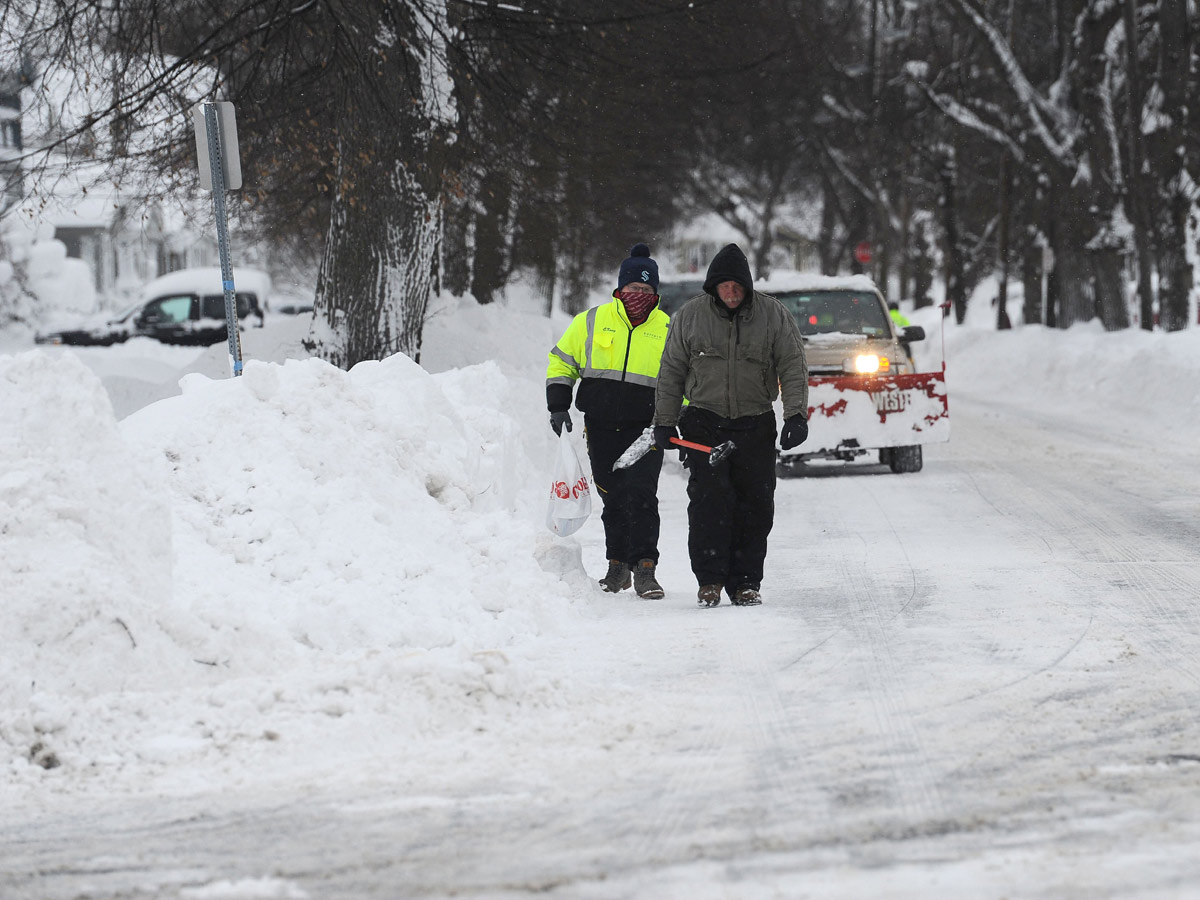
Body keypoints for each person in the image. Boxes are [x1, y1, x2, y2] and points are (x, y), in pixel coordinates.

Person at [652, 243, 808, 608]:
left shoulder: (773, 315)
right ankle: (710, 581)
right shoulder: (690, 317)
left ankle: (746, 583)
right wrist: (665, 421)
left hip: (755, 423)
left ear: (748, 286)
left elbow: (793, 365)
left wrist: (795, 414)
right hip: (704, 423)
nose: (732, 292)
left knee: (755, 504)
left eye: (738, 286)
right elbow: (671, 371)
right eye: (725, 286)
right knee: (709, 503)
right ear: (713, 287)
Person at [546, 243, 671, 598]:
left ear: (655, 293)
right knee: (613, 497)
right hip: (600, 427)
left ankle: (645, 567)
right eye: (633, 289)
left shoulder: (669, 329)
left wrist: (675, 418)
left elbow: (685, 379)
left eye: (646, 290)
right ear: (620, 289)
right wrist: (558, 404)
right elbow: (561, 363)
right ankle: (617, 565)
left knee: (642, 495)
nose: (638, 295)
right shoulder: (591, 320)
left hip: (646, 430)